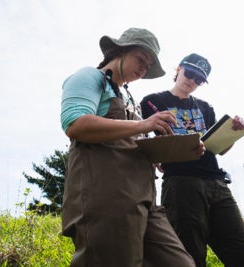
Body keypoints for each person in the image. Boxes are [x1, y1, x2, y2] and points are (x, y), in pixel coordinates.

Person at [60, 28, 197, 267]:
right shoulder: (89, 77)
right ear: (120, 51)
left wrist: (161, 153)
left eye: (148, 66)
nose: (143, 69)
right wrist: (143, 124)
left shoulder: (127, 97)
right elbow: (75, 124)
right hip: (105, 198)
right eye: (140, 59)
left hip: (143, 198)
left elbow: (125, 140)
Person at [139, 53, 244, 267]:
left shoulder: (206, 108)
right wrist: (154, 158)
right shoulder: (152, 102)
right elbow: (140, 138)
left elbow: (218, 148)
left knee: (241, 251)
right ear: (178, 69)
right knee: (189, 254)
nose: (192, 81)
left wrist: (233, 133)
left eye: (199, 79)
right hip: (182, 182)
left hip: (216, 183)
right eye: (190, 73)